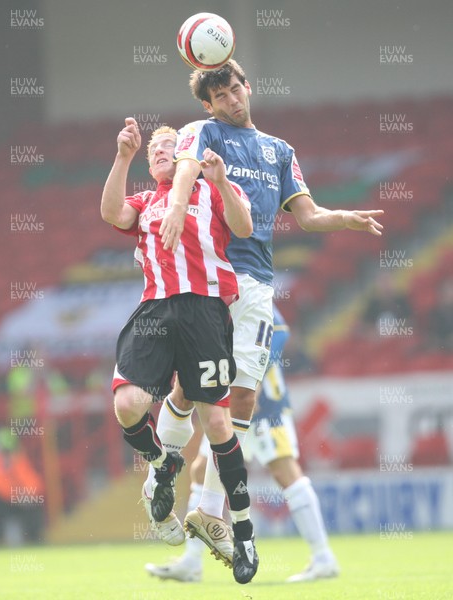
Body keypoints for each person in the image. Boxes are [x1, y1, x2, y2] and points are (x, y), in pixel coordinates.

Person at [141, 59, 384, 571]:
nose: (232, 100)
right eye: (220, 96)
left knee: (243, 395)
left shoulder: (280, 150)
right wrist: (180, 208)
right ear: (207, 105)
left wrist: (346, 219)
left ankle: (209, 511)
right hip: (209, 277)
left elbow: (310, 215)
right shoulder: (202, 132)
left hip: (255, 284)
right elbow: (183, 169)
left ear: (247, 88)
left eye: (235, 90)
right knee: (190, 386)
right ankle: (161, 472)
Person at [101, 119, 259, 584]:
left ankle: (243, 532)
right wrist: (123, 155)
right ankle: (162, 462)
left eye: (172, 147)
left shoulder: (210, 191)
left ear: (187, 153)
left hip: (206, 311)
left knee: (216, 423)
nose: (163, 153)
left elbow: (245, 226)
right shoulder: (146, 200)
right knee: (128, 404)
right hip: (154, 311)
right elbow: (112, 213)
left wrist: (222, 180)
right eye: (156, 151)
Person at [145, 304, 339, 583]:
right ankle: (191, 561)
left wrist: (257, 375)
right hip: (229, 406)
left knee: (284, 470)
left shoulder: (247, 286)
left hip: (265, 407)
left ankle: (323, 557)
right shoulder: (212, 293)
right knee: (201, 470)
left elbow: (281, 330)